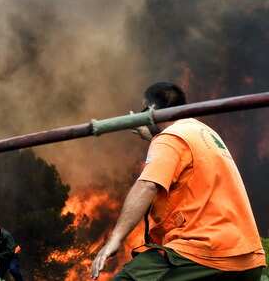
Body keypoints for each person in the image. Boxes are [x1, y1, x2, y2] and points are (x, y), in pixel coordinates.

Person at [91, 82, 266, 280]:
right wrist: (155, 137)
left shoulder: (170, 138)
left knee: (128, 278)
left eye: (143, 110)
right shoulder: (202, 133)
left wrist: (115, 239)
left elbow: (147, 185)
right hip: (246, 259)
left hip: (203, 252)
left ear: (152, 109)